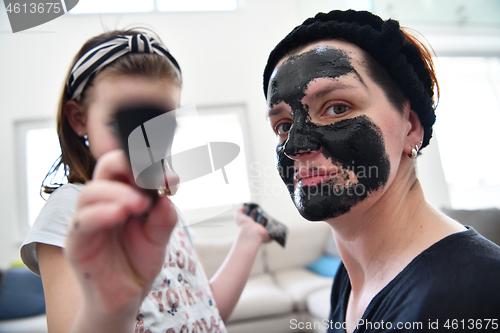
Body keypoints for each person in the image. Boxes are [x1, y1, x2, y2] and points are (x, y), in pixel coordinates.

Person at [263, 9, 500, 333]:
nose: (295, 146)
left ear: (411, 128)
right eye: (284, 125)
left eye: (336, 108)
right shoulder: (349, 278)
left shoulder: (468, 292)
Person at [21, 28, 270, 333]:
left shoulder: (168, 214)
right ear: (78, 118)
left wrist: (249, 237)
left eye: (161, 124)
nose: (145, 142)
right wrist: (110, 305)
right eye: (123, 124)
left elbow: (205, 311)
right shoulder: (69, 211)